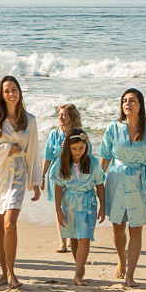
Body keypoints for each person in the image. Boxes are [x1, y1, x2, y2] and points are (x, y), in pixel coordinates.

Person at [0, 75, 42, 288]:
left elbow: (33, 152)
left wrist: (36, 182)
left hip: (18, 173)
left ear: (19, 92)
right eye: (7, 91)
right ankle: (4, 273)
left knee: (9, 224)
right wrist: (5, 149)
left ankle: (12, 273)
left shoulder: (29, 120)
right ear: (1, 95)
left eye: (14, 89)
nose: (11, 94)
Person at [99, 88, 146, 288]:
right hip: (116, 181)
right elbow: (104, 157)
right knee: (118, 227)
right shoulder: (113, 128)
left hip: (140, 183)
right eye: (125, 101)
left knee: (136, 229)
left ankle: (130, 274)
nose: (128, 104)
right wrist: (96, 182)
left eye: (133, 101)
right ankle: (121, 258)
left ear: (140, 105)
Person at [52, 128, 105, 286]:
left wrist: (103, 206)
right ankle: (79, 268)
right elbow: (58, 188)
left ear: (86, 146)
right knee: (73, 237)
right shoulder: (62, 164)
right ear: (68, 148)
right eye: (74, 149)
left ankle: (77, 275)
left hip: (88, 203)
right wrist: (58, 209)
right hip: (69, 204)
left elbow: (100, 184)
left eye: (81, 148)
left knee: (84, 237)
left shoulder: (92, 162)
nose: (78, 152)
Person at [42, 104, 91, 253]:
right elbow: (48, 156)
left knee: (73, 207)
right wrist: (42, 176)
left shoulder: (81, 134)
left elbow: (88, 155)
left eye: (64, 115)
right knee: (61, 207)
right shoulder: (54, 134)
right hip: (57, 174)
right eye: (59, 115)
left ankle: (71, 237)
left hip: (75, 175)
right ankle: (62, 242)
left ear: (72, 117)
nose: (61, 118)